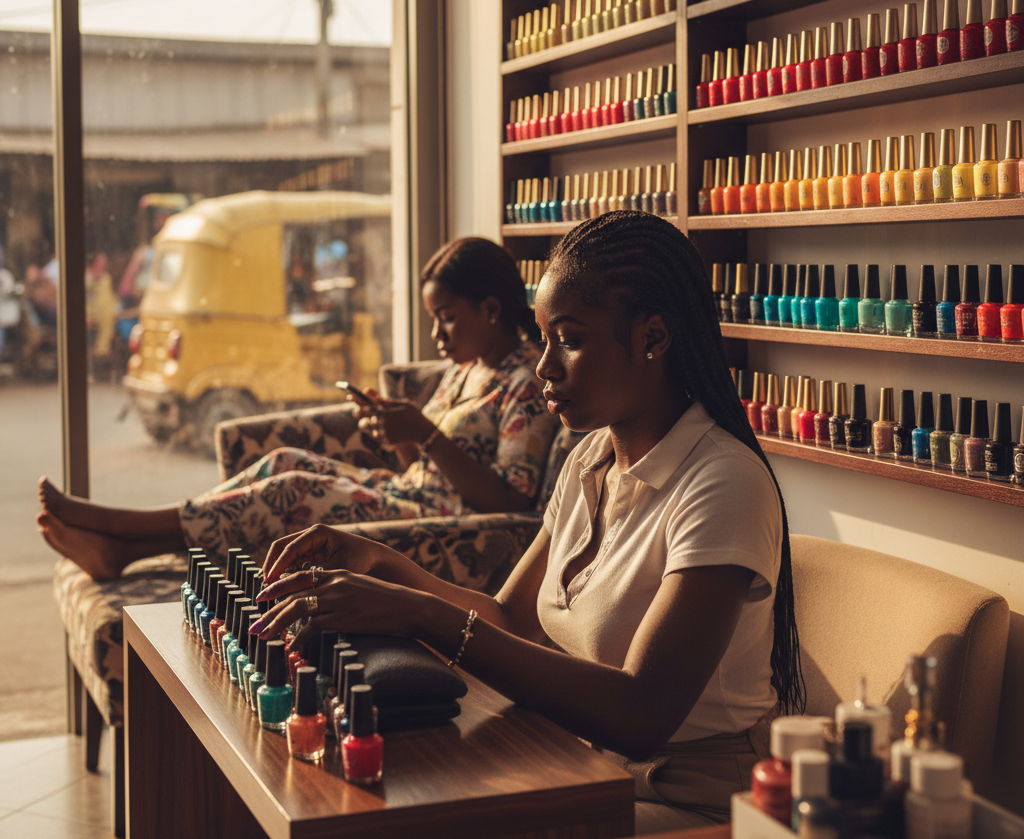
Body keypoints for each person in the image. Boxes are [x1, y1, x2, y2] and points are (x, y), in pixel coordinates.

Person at [247, 211, 804, 830]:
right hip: (582, 762)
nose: (543, 366)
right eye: (543, 339)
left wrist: (419, 612)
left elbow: (641, 716)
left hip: (690, 801)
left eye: (568, 338)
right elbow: (511, 619)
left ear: (652, 337)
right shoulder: (591, 460)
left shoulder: (722, 482)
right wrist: (384, 565)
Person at [37, 237, 558, 581]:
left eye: (445, 317)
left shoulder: (526, 382)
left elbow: (509, 501)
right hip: (410, 497)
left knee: (293, 493)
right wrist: (400, 433)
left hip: (448, 526)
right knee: (287, 461)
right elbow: (416, 467)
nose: (436, 334)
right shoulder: (468, 368)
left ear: (490, 310)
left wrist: (424, 433)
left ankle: (121, 529)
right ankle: (125, 548)